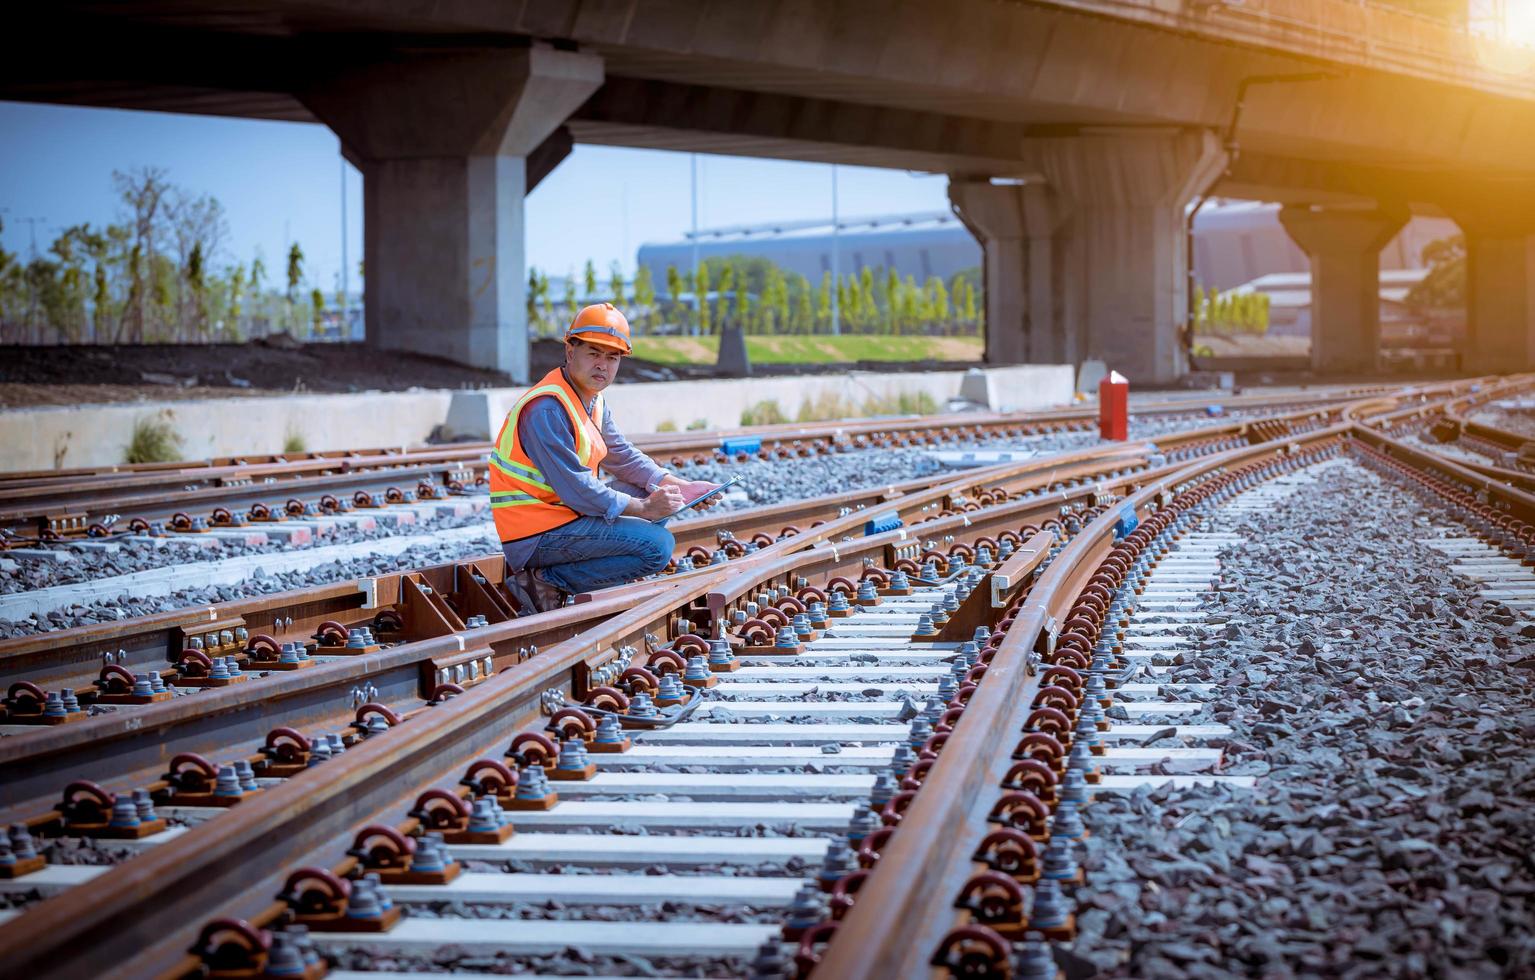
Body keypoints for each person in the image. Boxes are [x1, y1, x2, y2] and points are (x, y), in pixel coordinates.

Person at [491, 303, 721, 613]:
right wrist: (643, 509)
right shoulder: (547, 408)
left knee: (655, 494)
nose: (603, 365)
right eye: (594, 354)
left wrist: (679, 486)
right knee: (657, 547)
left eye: (612, 358)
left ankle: (583, 575)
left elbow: (622, 456)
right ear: (570, 352)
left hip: (564, 515)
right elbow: (578, 489)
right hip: (535, 534)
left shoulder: (591, 400)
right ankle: (546, 580)